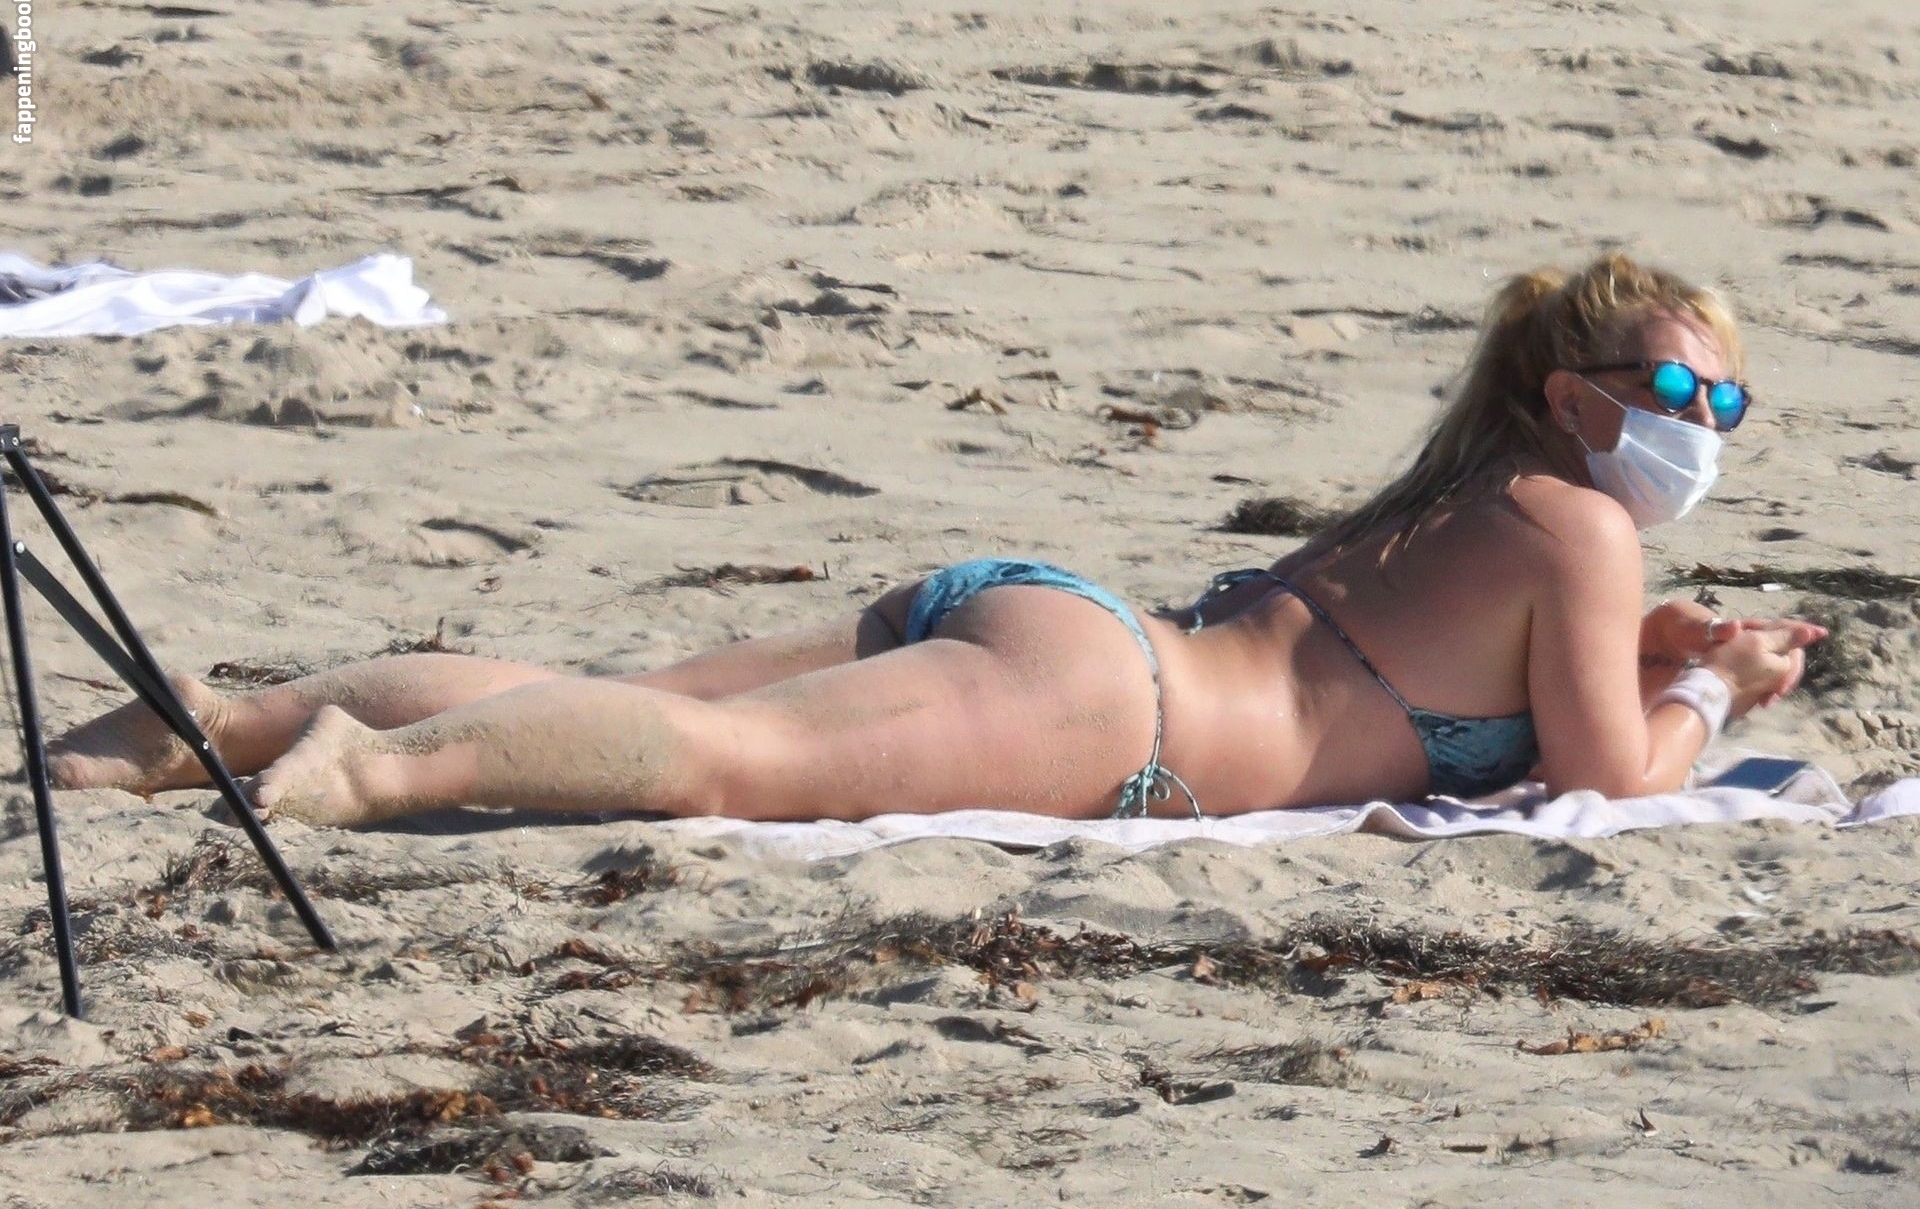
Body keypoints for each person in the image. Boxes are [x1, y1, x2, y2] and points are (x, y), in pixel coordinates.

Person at [48, 253, 1826, 828]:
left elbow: (1471, 647)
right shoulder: (1580, 529)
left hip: (1067, 626)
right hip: (1113, 715)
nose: (1711, 423)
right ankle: (365, 780)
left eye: (1731, 397)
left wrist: (1649, 640)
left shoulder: (1476, 501)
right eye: (1690, 390)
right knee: (718, 765)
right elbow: (1612, 783)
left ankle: (217, 720)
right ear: (1577, 396)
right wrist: (1717, 694)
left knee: (619, 696)